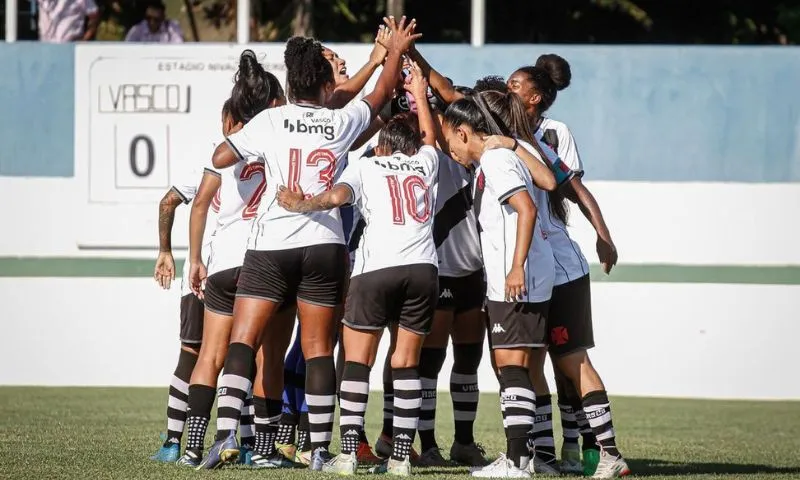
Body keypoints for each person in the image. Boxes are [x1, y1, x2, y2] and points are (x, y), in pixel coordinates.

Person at [197, 17, 420, 471]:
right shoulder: (340, 121)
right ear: (323, 82)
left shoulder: (269, 120)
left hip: (272, 242)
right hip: (324, 243)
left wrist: (252, 147)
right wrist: (391, 52)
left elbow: (222, 156)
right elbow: (378, 95)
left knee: (244, 340)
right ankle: (319, 448)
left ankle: (225, 438)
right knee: (319, 348)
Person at [277, 61, 438, 476]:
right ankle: (401, 457)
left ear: (383, 146)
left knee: (357, 361)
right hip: (423, 269)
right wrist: (419, 94)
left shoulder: (367, 165)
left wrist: (301, 204)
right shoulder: (427, 163)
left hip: (376, 269)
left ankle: (347, 453)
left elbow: (335, 198)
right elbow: (430, 139)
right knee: (406, 363)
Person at [275, 27, 392, 467]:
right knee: (311, 340)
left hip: (337, 233)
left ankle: (307, 432)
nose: (338, 64)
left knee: (323, 337)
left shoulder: (334, 120)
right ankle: (292, 429)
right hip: (310, 237)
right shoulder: (319, 110)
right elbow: (350, 97)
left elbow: (362, 119)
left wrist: (392, 95)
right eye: (330, 61)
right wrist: (380, 59)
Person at [173, 52, 292, 468]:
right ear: (274, 104)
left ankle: (192, 446)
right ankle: (262, 449)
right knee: (268, 356)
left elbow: (200, 204)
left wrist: (194, 259)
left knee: (211, 354)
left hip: (223, 261)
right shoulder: (281, 139)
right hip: (267, 262)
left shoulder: (223, 149)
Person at [441, 93, 555, 478]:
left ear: (463, 131)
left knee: (511, 367)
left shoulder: (492, 160)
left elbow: (528, 207)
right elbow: (548, 180)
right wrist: (511, 143)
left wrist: (515, 268)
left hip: (517, 279)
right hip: (529, 277)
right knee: (519, 367)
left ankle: (517, 461)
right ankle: (536, 459)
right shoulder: (499, 156)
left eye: (450, 140)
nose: (450, 149)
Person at [149, 161, 218, 463]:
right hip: (246, 271)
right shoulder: (266, 157)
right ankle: (245, 443)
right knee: (241, 356)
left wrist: (165, 250)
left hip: (199, 274)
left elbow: (168, 201)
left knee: (190, 354)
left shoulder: (210, 162)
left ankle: (173, 442)